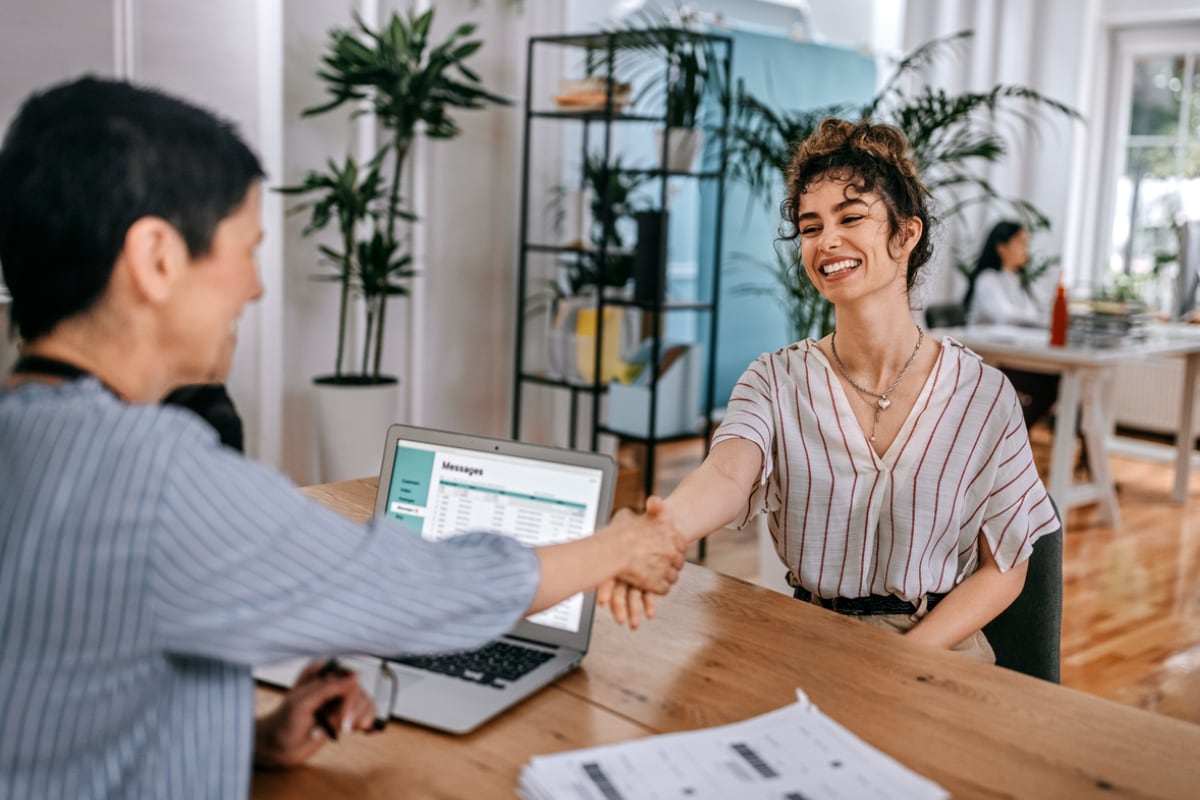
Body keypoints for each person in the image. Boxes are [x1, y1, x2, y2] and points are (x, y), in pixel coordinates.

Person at [0, 76, 685, 799]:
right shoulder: (148, 477)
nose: (255, 287)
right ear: (158, 258)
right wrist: (621, 545)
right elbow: (425, 591)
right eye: (247, 248)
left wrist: (248, 737)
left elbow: (66, 698)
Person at [606, 119, 1058, 661]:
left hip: (938, 653)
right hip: (809, 641)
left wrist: (906, 657)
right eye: (811, 226)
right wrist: (659, 532)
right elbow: (727, 474)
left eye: (851, 218)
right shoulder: (775, 380)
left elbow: (1005, 569)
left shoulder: (984, 395)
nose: (828, 241)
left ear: (906, 234)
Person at [963, 220, 1060, 431]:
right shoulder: (988, 279)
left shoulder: (1017, 280)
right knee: (1049, 384)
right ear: (1001, 247)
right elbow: (1005, 316)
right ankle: (1010, 438)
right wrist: (1043, 320)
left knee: (1054, 382)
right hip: (989, 360)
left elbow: (1034, 310)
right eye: (1021, 242)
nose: (1026, 249)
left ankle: (1009, 438)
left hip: (1013, 355)